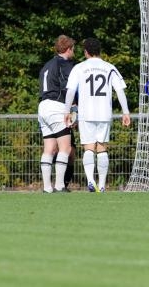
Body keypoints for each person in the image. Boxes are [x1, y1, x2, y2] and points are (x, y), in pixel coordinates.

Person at [63, 38, 131, 192]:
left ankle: (90, 180)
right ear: (99, 51)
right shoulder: (109, 67)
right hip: (104, 113)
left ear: (86, 52)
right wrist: (125, 112)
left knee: (88, 148)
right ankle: (101, 184)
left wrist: (67, 111)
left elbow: (70, 91)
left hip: (86, 114)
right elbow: (120, 90)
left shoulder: (79, 68)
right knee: (102, 148)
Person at [38, 35, 76, 193]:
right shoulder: (64, 63)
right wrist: (73, 107)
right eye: (73, 49)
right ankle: (60, 185)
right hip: (56, 106)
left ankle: (47, 187)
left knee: (49, 148)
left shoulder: (47, 65)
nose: (74, 52)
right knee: (65, 148)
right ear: (68, 49)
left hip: (43, 106)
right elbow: (70, 86)